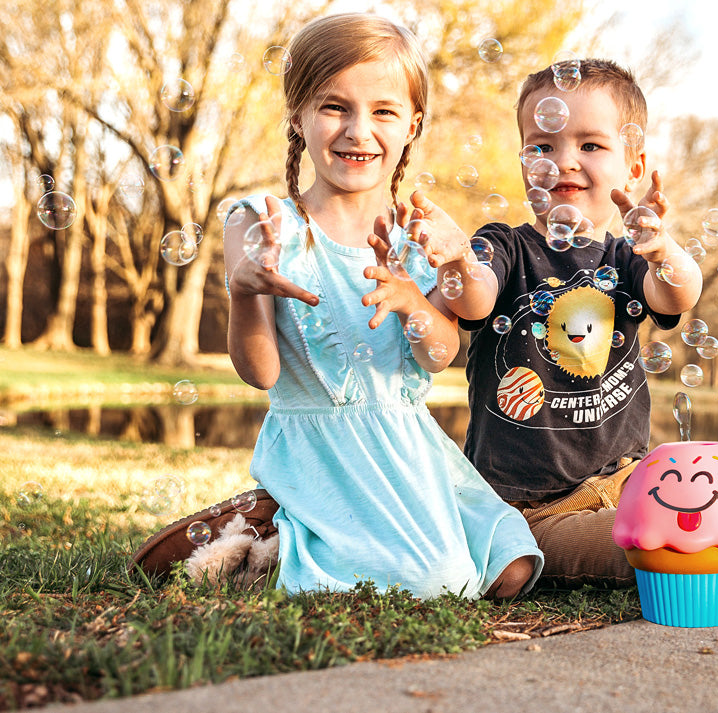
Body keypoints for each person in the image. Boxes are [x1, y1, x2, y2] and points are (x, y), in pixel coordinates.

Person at [133, 13, 542, 599]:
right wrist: (245, 294)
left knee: (511, 569)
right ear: (297, 117)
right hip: (318, 452)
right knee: (440, 581)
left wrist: (413, 302)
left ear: (412, 124)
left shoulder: (420, 234)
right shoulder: (261, 223)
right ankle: (280, 537)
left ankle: (273, 534)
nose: (358, 130)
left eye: (383, 111)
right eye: (333, 107)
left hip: (407, 450)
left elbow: (437, 355)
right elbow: (262, 373)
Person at [412, 59, 703, 585]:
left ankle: (645, 531)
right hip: (534, 505)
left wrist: (664, 252)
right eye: (543, 146)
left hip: (628, 478)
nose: (564, 161)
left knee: (705, 507)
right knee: (647, 554)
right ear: (523, 161)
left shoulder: (629, 256)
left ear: (633, 168)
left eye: (590, 145)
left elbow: (677, 292)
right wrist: (457, 261)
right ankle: (526, 549)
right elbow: (474, 300)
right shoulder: (503, 246)